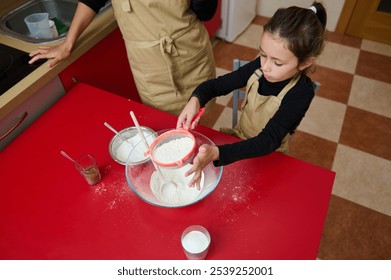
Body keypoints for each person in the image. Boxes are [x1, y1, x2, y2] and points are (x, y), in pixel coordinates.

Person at [176, 2, 327, 189]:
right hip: (239, 140)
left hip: (269, 154)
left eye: (278, 63)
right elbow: (217, 86)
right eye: (263, 55)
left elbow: (267, 142)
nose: (265, 66)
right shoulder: (259, 67)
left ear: (304, 63)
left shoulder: (301, 93)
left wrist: (217, 153)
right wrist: (195, 100)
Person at [29, 0, 218, 116]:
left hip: (186, 56)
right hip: (146, 64)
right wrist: (67, 43)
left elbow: (206, 11)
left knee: (197, 122)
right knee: (164, 125)